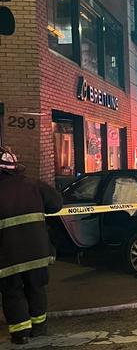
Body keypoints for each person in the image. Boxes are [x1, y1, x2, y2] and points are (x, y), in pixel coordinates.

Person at [0, 147, 63, 344]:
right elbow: (57, 204)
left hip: (8, 256)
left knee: (13, 292)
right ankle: (39, 327)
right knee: (36, 288)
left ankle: (20, 334)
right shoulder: (34, 185)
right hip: (38, 253)